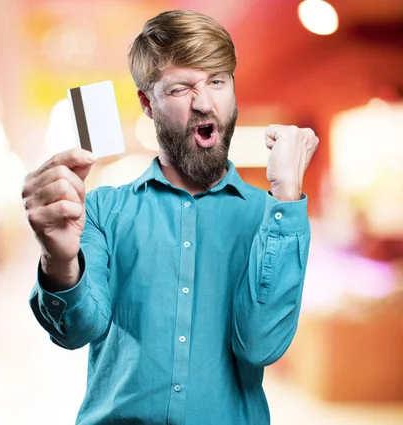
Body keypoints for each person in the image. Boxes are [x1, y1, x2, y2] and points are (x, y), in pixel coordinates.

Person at [22, 9, 318, 425]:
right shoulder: (104, 208)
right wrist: (58, 260)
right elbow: (76, 329)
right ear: (147, 103)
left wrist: (286, 195)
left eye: (217, 81)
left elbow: (261, 346)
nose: (203, 103)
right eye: (181, 89)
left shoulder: (270, 219)